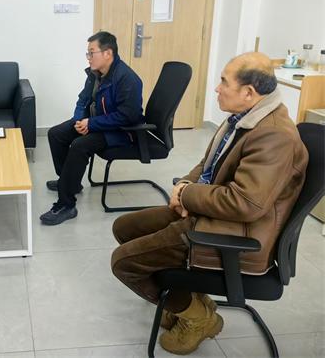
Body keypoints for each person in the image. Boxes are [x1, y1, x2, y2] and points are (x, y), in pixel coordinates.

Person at [110, 52, 308, 355]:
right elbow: (207, 166)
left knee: (123, 263)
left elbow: (245, 203)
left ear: (248, 92)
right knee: (124, 228)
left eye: (224, 82)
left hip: (235, 234)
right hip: (210, 212)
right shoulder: (242, 118)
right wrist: (183, 187)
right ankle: (192, 299)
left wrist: (187, 195)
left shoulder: (273, 136)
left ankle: (199, 317)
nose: (217, 88)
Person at [40, 31, 144, 226]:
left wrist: (92, 124)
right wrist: (80, 120)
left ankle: (66, 205)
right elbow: (83, 99)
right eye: (87, 53)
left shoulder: (127, 79)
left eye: (91, 52)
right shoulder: (95, 74)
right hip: (97, 123)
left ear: (108, 53)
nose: (88, 57)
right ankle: (69, 182)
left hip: (120, 131)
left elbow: (128, 116)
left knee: (80, 145)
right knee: (56, 134)